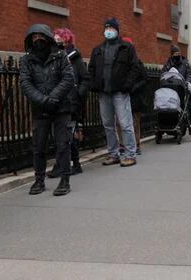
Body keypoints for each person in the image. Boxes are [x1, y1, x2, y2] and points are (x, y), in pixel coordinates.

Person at [19, 24, 74, 196]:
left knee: (63, 145)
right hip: (40, 109)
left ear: (47, 37)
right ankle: (39, 180)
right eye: (34, 37)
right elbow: (25, 84)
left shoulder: (60, 56)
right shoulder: (26, 60)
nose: (37, 40)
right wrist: (43, 100)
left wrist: (53, 98)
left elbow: (68, 78)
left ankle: (65, 180)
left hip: (60, 108)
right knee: (39, 146)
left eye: (40, 36)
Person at [88, 17, 139, 167]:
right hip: (104, 92)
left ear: (117, 30)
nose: (108, 31)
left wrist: (127, 86)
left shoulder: (126, 48)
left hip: (120, 92)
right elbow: (91, 69)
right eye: (107, 28)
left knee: (125, 124)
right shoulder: (98, 50)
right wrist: (94, 84)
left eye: (111, 28)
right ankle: (113, 154)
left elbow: (134, 68)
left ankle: (130, 154)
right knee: (108, 124)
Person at [47, 28, 90, 178]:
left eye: (60, 38)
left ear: (67, 40)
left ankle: (64, 165)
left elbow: (85, 79)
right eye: (55, 38)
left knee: (67, 136)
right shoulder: (53, 57)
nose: (57, 40)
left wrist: (78, 93)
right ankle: (74, 164)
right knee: (63, 135)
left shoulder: (75, 59)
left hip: (71, 102)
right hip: (58, 101)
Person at [123, 37, 148, 155]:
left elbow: (144, 79)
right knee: (121, 122)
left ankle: (137, 145)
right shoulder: (120, 62)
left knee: (134, 123)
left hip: (135, 97)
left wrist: (134, 87)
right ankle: (123, 145)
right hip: (123, 95)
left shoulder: (138, 62)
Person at [162, 45, 191, 121]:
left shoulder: (185, 63)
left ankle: (188, 117)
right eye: (175, 54)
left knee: (186, 102)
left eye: (178, 53)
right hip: (171, 88)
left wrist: (187, 82)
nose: (177, 55)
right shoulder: (168, 64)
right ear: (172, 54)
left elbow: (189, 74)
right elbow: (164, 74)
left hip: (182, 88)